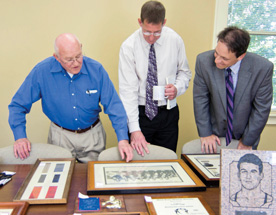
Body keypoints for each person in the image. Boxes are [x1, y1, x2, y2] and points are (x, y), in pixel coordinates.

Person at [8, 33, 133, 163]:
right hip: (60, 136)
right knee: (59, 179)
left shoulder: (96, 70)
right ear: (56, 57)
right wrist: (20, 137)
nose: (76, 63)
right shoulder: (42, 71)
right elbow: (17, 105)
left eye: (78, 56)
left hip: (92, 136)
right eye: (69, 59)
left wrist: (123, 139)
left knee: (93, 179)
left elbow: (114, 106)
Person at [119, 1, 191, 155]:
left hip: (168, 112)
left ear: (164, 23)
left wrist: (177, 88)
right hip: (140, 113)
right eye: (146, 31)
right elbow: (128, 91)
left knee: (166, 161)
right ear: (140, 22)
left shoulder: (175, 40)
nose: (151, 37)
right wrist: (134, 129)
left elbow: (185, 72)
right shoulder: (129, 47)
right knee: (138, 165)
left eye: (157, 32)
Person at [193, 26, 273, 153]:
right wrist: (205, 133)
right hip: (214, 136)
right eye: (216, 53)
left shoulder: (263, 68)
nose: (217, 60)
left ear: (240, 56)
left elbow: (261, 109)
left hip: (245, 137)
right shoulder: (203, 61)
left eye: (224, 58)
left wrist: (248, 140)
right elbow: (200, 98)